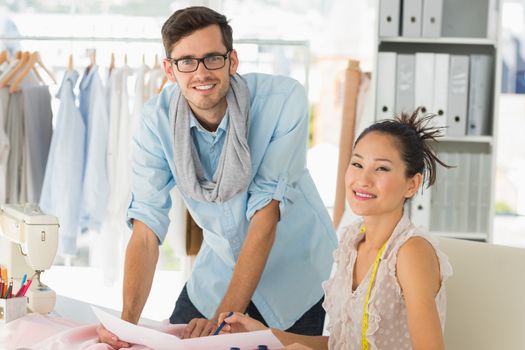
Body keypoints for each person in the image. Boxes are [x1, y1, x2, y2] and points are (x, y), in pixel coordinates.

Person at [97, 6, 337, 349]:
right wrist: (127, 325)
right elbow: (146, 229)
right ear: (169, 69)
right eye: (186, 61)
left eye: (212, 58)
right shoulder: (155, 121)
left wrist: (220, 327)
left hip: (293, 279)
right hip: (219, 270)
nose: (200, 72)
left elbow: (265, 217)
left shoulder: (283, 101)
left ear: (232, 61)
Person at [218, 111, 453, 350]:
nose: (363, 179)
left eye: (381, 169)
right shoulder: (352, 241)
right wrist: (264, 335)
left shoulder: (410, 252)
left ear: (412, 184)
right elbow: (342, 344)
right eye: (357, 164)